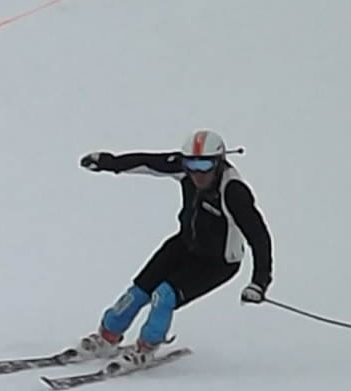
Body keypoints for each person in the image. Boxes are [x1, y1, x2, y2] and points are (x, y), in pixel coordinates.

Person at [75, 129, 273, 372]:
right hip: (186, 244)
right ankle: (107, 337)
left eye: (204, 165)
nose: (197, 173)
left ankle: (145, 349)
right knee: (139, 290)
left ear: (219, 162)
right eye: (191, 164)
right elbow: (147, 162)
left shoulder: (233, 192)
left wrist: (259, 282)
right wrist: (108, 162)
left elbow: (259, 237)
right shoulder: (185, 170)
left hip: (219, 261)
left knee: (164, 296)